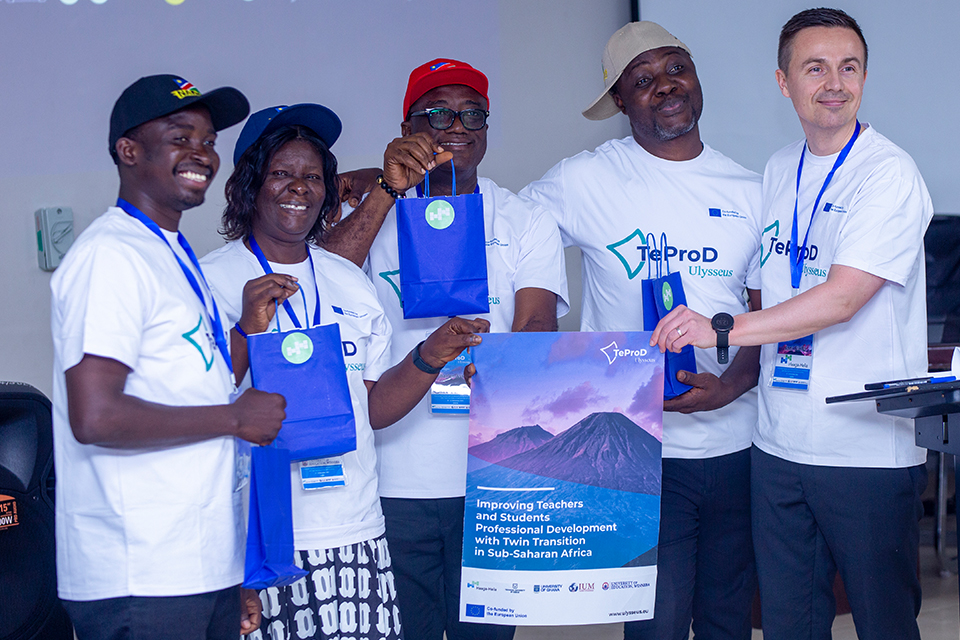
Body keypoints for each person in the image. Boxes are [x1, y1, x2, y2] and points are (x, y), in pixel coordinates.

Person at [651, 8, 933, 639]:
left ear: (864, 78)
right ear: (784, 82)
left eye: (849, 67)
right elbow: (770, 284)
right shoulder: (781, 168)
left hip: (865, 450)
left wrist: (720, 329)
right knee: (788, 626)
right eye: (815, 68)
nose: (834, 83)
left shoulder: (888, 173)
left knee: (885, 625)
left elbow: (842, 298)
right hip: (778, 446)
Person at [200, 103, 490, 640]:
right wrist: (245, 329)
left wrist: (429, 356)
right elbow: (196, 404)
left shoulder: (347, 280)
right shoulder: (208, 280)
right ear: (249, 185)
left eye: (313, 176)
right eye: (281, 173)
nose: (299, 187)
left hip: (356, 530)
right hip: (258, 540)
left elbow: (370, 409)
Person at [520, 22, 763, 640]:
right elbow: (505, 232)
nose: (666, 86)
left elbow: (765, 318)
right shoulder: (584, 180)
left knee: (729, 620)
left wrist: (730, 387)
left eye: (675, 68)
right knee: (656, 626)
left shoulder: (751, 190)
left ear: (696, 77)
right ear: (621, 102)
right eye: (643, 79)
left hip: (739, 445)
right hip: (638, 451)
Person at [324, 59, 569, 640]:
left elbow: (537, 322)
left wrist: (506, 363)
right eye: (437, 113)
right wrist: (386, 190)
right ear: (406, 126)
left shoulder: (524, 218)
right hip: (388, 477)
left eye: (472, 113)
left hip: (490, 478)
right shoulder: (369, 211)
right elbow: (321, 280)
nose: (456, 126)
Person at [50, 75, 295, 640]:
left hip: (197, 566)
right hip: (138, 573)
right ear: (129, 150)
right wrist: (235, 417)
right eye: (180, 137)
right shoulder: (110, 256)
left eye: (208, 141)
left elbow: (195, 388)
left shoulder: (172, 252)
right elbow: (95, 416)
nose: (201, 153)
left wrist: (228, 571)